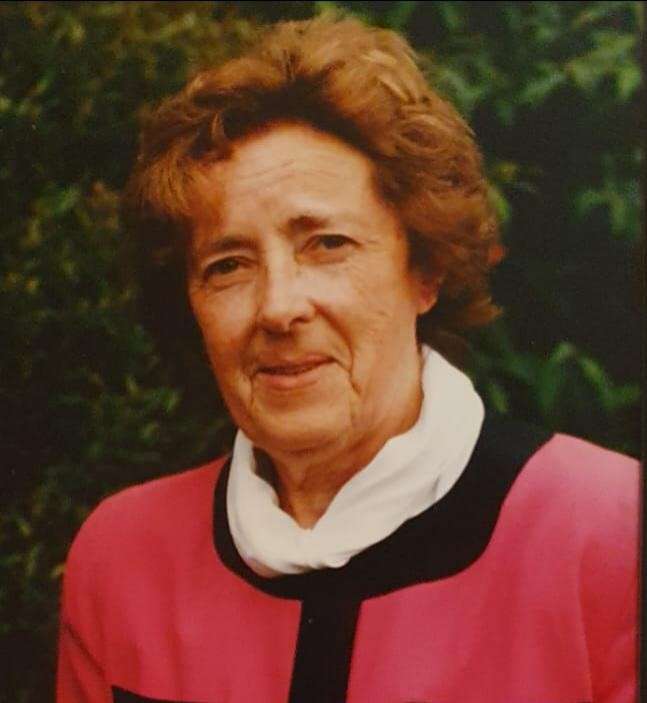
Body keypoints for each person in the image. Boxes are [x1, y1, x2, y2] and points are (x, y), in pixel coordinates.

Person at [56, 16, 639, 703]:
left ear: (424, 270)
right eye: (228, 264)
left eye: (327, 244)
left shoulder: (608, 534)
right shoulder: (123, 559)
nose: (278, 307)